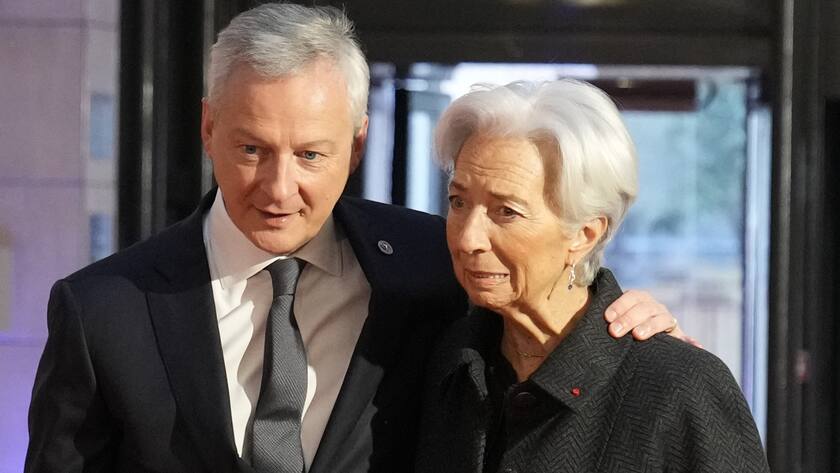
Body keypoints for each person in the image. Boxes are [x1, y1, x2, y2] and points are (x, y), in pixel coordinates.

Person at [26, 4, 684, 473]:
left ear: (358, 143)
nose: (279, 187)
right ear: (208, 127)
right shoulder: (101, 310)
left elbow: (547, 295)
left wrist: (632, 327)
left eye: (311, 154)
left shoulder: (437, 264)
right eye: (253, 148)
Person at [415, 80, 770, 473]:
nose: (467, 238)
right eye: (458, 202)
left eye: (506, 212)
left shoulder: (679, 387)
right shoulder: (447, 363)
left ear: (585, 234)